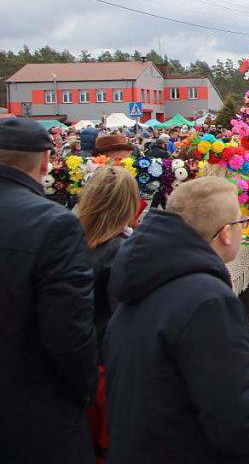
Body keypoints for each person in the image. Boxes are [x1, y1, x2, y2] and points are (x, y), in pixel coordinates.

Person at [104, 176, 249, 461]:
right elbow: (241, 425)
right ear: (226, 233)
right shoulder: (208, 301)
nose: (243, 230)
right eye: (241, 222)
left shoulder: (142, 280)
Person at [1, 118, 99, 463]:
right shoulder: (53, 224)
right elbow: (69, 330)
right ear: (45, 162)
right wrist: (86, 393)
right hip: (31, 405)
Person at [74, 163, 140, 461]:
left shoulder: (67, 241)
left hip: (75, 366)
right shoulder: (122, 250)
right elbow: (123, 321)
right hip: (107, 371)